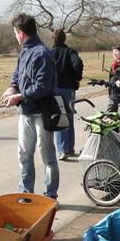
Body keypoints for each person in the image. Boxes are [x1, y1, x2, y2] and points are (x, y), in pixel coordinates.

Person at [1, 13, 60, 199]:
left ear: (21, 33)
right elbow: (18, 73)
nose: (15, 36)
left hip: (42, 113)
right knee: (24, 154)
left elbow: (42, 87)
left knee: (47, 156)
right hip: (26, 112)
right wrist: (12, 88)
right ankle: (26, 194)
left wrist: (19, 96)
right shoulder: (24, 51)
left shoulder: (42, 53)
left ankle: (50, 196)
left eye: (15, 33)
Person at [51, 29, 84, 160]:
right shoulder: (70, 52)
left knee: (59, 117)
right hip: (69, 89)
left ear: (53, 39)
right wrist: (77, 78)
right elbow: (78, 63)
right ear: (64, 39)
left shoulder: (49, 53)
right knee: (69, 117)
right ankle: (70, 148)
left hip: (55, 88)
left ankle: (62, 149)